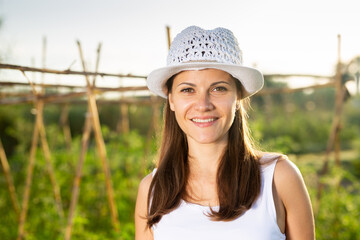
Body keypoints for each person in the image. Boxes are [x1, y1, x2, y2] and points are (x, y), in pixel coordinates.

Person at [135, 26, 315, 240]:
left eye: (218, 88)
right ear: (171, 99)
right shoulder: (152, 190)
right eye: (188, 90)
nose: (203, 105)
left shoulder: (279, 178)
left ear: (238, 97)